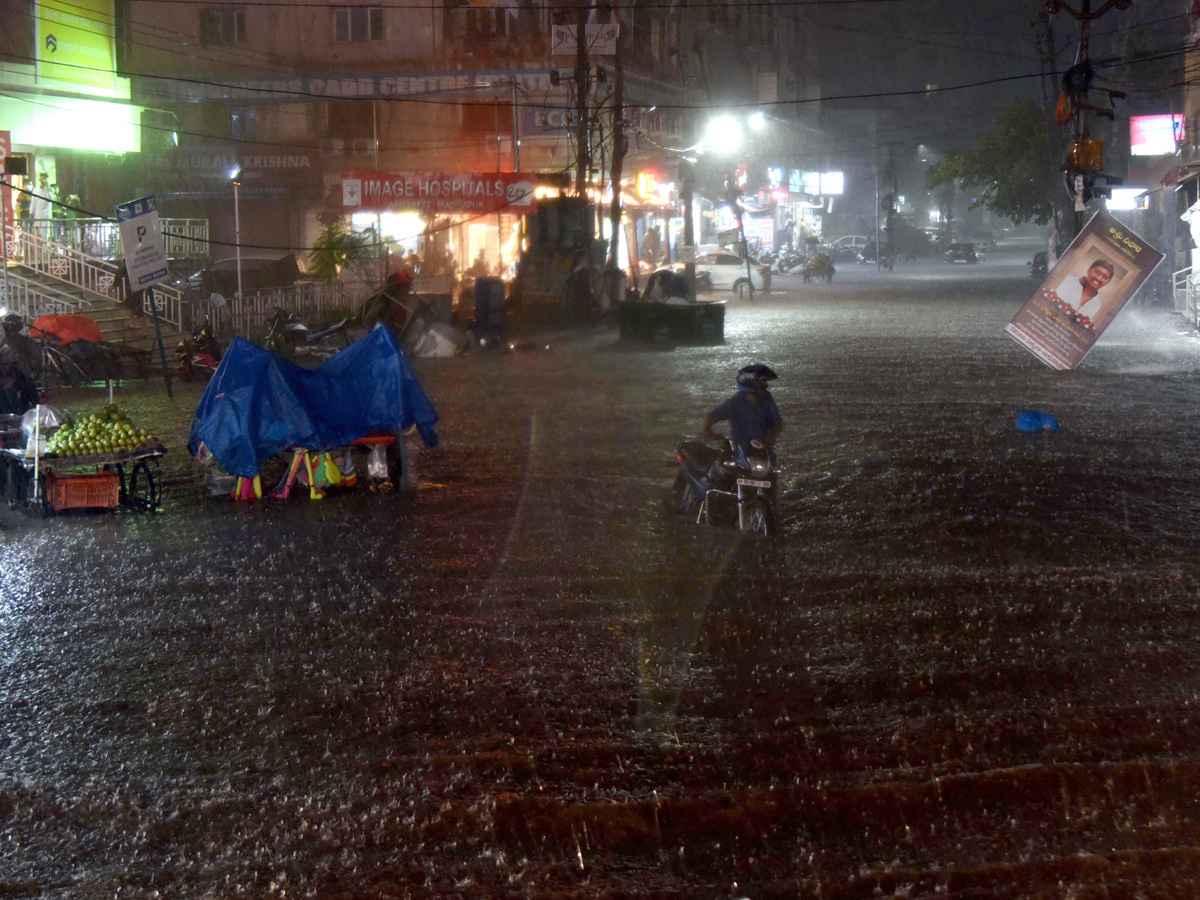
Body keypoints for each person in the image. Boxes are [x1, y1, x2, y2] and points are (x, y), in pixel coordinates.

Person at [702, 363, 783, 446]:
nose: (766, 385)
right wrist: (707, 430)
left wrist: (770, 437)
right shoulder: (736, 402)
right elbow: (712, 416)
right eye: (762, 382)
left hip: (763, 449)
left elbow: (777, 422)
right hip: (742, 450)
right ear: (752, 383)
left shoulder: (766, 398)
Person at [1050, 258, 1114, 323]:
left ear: (1108, 282)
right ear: (1089, 270)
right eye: (1097, 272)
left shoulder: (1097, 307)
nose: (1099, 278)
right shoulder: (1065, 281)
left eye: (1105, 277)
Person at [29, 173, 54, 240]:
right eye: (43, 178)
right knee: (36, 236)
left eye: (45, 179)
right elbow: (33, 203)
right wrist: (31, 214)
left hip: (46, 216)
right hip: (37, 216)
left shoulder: (50, 190)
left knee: (44, 235)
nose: (44, 180)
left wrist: (47, 188)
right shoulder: (35, 190)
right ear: (39, 179)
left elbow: (51, 199)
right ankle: (37, 250)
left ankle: (45, 250)